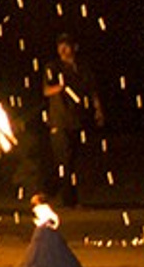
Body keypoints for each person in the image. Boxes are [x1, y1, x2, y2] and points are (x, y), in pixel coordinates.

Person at [41, 32, 105, 207]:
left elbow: (92, 92)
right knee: (65, 160)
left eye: (66, 45)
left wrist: (98, 111)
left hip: (78, 120)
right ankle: (69, 201)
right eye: (60, 45)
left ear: (74, 47)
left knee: (71, 161)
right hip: (59, 121)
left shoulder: (83, 69)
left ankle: (46, 191)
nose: (63, 49)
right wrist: (61, 87)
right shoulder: (53, 67)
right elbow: (46, 90)